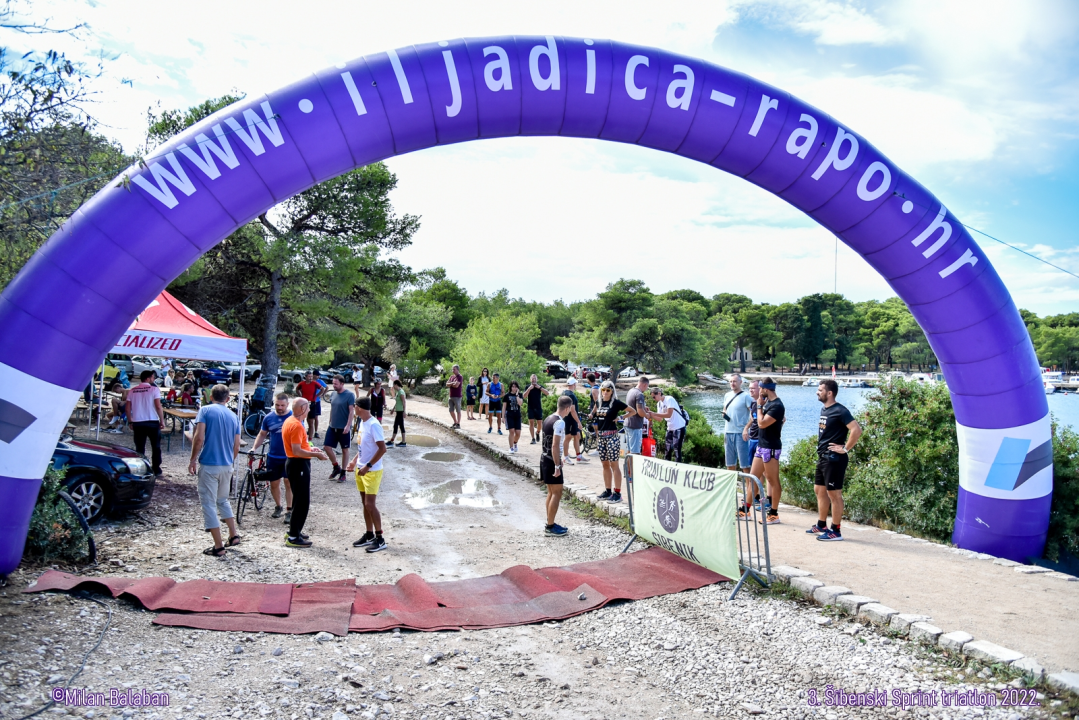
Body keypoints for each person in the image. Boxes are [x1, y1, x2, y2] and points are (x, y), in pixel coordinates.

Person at [188, 384, 242, 557]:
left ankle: (218, 546)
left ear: (211, 397)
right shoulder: (234, 416)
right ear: (227, 399)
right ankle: (233, 534)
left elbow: (199, 437)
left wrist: (192, 459)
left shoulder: (205, 410)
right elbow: (237, 444)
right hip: (227, 465)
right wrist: (230, 462)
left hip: (210, 464)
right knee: (223, 500)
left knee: (209, 504)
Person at [809, 379, 863, 542]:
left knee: (835, 494)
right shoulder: (824, 409)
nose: (817, 392)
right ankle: (821, 525)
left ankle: (836, 531)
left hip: (834, 459)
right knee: (819, 490)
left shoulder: (840, 410)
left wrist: (845, 448)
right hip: (823, 457)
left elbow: (856, 430)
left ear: (829, 393)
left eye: (820, 390)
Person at [282, 397, 328, 547]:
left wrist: (310, 448)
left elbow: (299, 445)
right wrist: (316, 455)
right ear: (302, 409)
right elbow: (296, 450)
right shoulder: (296, 425)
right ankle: (294, 537)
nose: (309, 410)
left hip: (296, 462)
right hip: (298, 463)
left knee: (298, 499)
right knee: (302, 502)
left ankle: (294, 530)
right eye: (307, 407)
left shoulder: (291, 421)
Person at [346, 397, 389, 553]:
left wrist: (369, 465)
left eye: (354, 407)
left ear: (359, 408)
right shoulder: (362, 423)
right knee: (365, 503)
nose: (353, 409)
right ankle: (369, 534)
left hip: (372, 471)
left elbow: (382, 449)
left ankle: (380, 538)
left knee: (370, 504)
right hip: (360, 468)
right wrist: (354, 461)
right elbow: (363, 448)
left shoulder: (374, 425)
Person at [748, 378, 785, 525]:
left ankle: (774, 514)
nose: (758, 391)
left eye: (760, 388)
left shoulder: (777, 405)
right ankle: (745, 509)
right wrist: (760, 406)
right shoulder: (767, 403)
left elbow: (762, 424)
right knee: (753, 477)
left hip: (771, 447)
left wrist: (758, 406)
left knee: (772, 480)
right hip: (761, 446)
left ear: (765, 389)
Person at [251, 392, 293, 520]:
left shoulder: (293, 417)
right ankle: (278, 506)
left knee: (288, 483)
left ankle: (289, 510)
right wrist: (254, 448)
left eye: (282, 405)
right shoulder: (268, 418)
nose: (279, 408)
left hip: (289, 457)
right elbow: (262, 434)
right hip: (274, 456)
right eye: (277, 405)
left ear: (287, 404)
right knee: (274, 483)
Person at [540, 395, 574, 536]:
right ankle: (550, 526)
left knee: (551, 492)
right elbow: (555, 445)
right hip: (551, 461)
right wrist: (557, 465)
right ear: (567, 408)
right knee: (557, 493)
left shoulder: (548, 418)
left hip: (544, 458)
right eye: (570, 409)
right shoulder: (560, 423)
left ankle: (549, 522)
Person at [591, 380, 630, 503]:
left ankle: (617, 493)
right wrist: (592, 417)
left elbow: (632, 411)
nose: (605, 392)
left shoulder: (616, 403)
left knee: (614, 465)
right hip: (601, 437)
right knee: (605, 464)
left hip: (612, 436)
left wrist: (621, 418)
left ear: (612, 391)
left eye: (608, 390)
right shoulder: (598, 402)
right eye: (603, 390)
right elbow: (595, 414)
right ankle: (608, 491)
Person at [126, 370, 166, 478]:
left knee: (140, 447)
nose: (153, 379)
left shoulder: (132, 390)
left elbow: (127, 407)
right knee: (156, 447)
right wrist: (162, 420)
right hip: (152, 421)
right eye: (153, 377)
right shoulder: (154, 389)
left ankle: (140, 468)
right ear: (148, 378)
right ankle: (156, 469)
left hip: (138, 421)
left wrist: (130, 420)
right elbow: (158, 406)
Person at [323, 374, 356, 482]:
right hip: (333, 426)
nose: (334, 386)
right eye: (333, 383)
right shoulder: (333, 394)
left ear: (342, 383)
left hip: (344, 427)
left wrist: (348, 425)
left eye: (336, 384)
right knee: (327, 447)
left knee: (345, 450)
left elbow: (351, 411)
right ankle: (336, 466)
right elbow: (333, 408)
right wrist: (330, 420)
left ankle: (343, 472)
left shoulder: (350, 395)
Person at [722, 374, 754, 473]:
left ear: (741, 382)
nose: (732, 383)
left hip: (741, 434)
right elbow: (724, 409)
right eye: (731, 381)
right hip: (728, 432)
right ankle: (732, 488)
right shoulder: (727, 395)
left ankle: (749, 488)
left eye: (735, 381)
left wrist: (746, 429)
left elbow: (754, 416)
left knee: (745, 465)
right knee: (730, 465)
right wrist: (724, 414)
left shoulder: (746, 397)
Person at [649, 387, 687, 463]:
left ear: (659, 393)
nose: (654, 399)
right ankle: (667, 464)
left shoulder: (669, 399)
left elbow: (669, 414)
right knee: (667, 448)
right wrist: (650, 413)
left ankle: (678, 466)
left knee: (677, 449)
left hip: (678, 426)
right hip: (670, 427)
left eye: (654, 397)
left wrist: (654, 414)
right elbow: (660, 419)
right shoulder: (659, 404)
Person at [741, 380, 762, 510]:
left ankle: (761, 498)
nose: (751, 391)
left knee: (762, 472)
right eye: (749, 388)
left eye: (753, 388)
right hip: (752, 439)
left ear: (760, 389)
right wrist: (746, 428)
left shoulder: (764, 404)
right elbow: (753, 419)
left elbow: (781, 419)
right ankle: (754, 496)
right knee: (752, 469)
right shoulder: (754, 403)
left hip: (761, 440)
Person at [561, 377, 588, 464]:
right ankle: (565, 457)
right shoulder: (571, 395)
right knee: (568, 437)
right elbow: (573, 410)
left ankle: (578, 456)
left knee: (577, 435)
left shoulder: (564, 392)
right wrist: (578, 422)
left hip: (567, 418)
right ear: (573, 385)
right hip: (569, 419)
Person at [623, 376, 650, 454]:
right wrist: (647, 415)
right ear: (645, 385)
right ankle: (632, 466)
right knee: (635, 452)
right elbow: (640, 412)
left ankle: (627, 466)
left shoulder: (631, 391)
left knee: (629, 450)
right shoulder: (639, 394)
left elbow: (632, 405)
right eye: (647, 387)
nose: (646, 389)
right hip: (635, 426)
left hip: (627, 423)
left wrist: (644, 407)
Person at [296, 371, 323, 441]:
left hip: (312, 403)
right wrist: (300, 396)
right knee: (301, 420)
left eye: (311, 376)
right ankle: (300, 436)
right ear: (305, 377)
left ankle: (310, 439)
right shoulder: (302, 384)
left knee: (311, 421)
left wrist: (317, 396)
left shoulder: (315, 383)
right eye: (309, 376)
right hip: (303, 403)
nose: (311, 378)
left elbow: (322, 389)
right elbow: (297, 389)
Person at [524, 374, 549, 444]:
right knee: (531, 423)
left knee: (540, 424)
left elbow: (547, 393)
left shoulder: (539, 387)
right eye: (532, 378)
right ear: (530, 380)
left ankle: (537, 432)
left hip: (538, 407)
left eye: (535, 378)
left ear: (537, 379)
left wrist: (540, 388)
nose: (534, 380)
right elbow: (524, 396)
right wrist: (529, 389)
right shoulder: (527, 387)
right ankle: (533, 438)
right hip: (530, 407)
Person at [504, 381, 524, 452]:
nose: (514, 388)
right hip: (509, 415)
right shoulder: (507, 395)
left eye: (515, 387)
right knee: (511, 431)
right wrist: (503, 417)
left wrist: (517, 395)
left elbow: (520, 403)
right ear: (510, 387)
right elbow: (504, 407)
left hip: (517, 415)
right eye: (513, 386)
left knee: (518, 433)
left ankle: (515, 442)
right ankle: (511, 447)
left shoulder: (520, 395)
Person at [387, 379, 407, 446]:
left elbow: (404, 402)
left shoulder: (401, 392)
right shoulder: (398, 392)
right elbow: (397, 402)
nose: (393, 386)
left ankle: (392, 441)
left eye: (393, 385)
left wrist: (404, 411)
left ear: (396, 384)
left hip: (400, 411)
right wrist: (393, 409)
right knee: (401, 426)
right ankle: (403, 442)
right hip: (398, 411)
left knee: (395, 425)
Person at [446, 364, 463, 429]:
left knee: (458, 410)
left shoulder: (460, 377)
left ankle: (458, 423)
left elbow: (457, 385)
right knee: (451, 410)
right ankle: (455, 422)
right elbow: (447, 384)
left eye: (454, 369)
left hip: (457, 396)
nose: (453, 370)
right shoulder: (451, 377)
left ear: (457, 370)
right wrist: (452, 383)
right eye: (452, 369)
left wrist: (451, 384)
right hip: (451, 396)